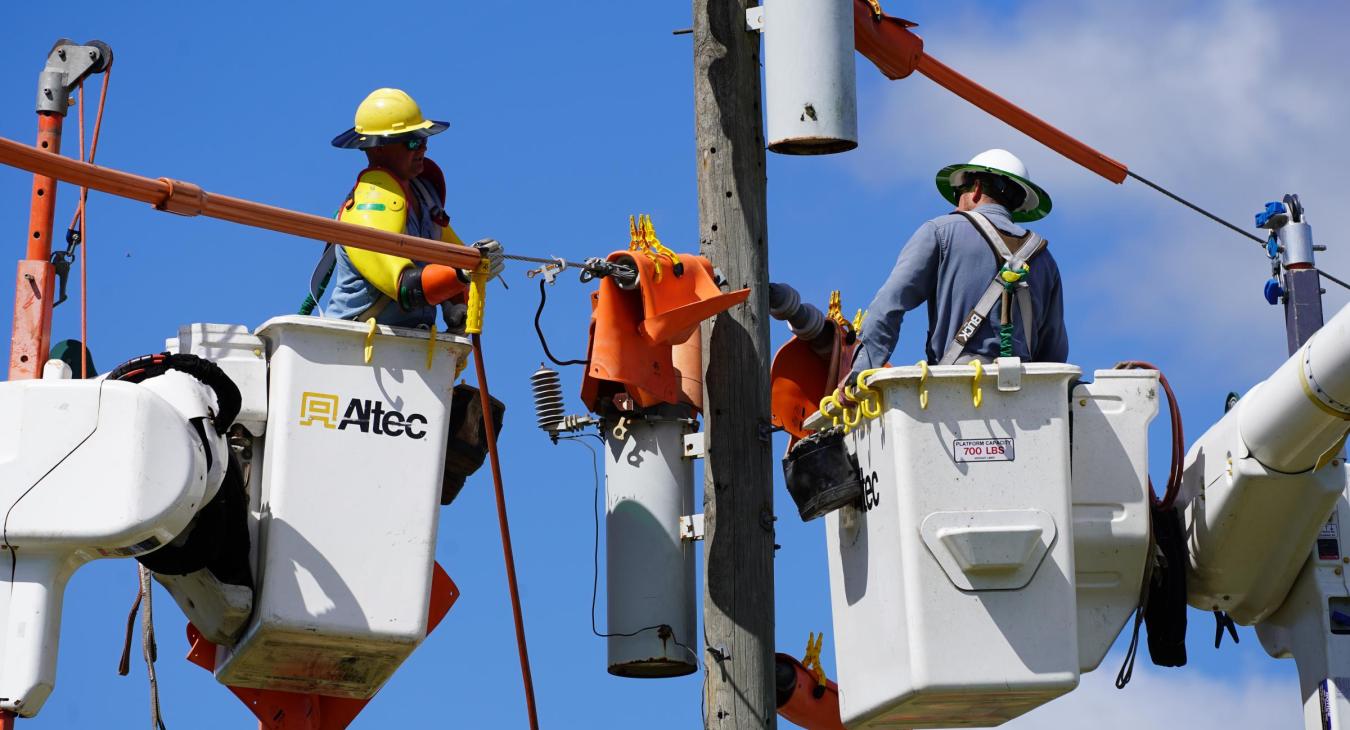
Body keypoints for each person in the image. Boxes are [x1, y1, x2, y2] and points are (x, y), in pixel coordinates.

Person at [840, 148, 1068, 399]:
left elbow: (890, 304)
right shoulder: (1044, 259)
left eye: (959, 192)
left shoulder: (941, 231)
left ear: (976, 189)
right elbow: (1053, 351)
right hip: (1022, 396)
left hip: (954, 393)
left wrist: (859, 375)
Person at [322, 87, 504, 330]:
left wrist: (457, 304)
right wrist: (461, 273)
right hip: (354, 342)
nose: (422, 149)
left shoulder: (425, 197)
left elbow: (452, 258)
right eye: (412, 142)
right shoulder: (368, 208)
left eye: (423, 140)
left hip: (409, 343)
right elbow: (406, 288)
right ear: (378, 148)